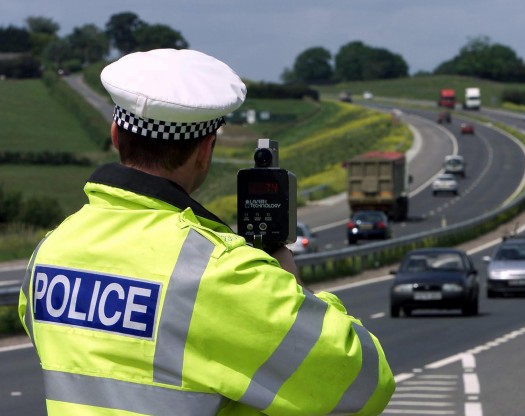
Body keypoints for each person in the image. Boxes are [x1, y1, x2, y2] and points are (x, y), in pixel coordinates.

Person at [18, 48, 395, 415]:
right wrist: (294, 289)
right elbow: (365, 384)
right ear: (204, 150)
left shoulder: (51, 251)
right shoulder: (218, 273)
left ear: (116, 134)